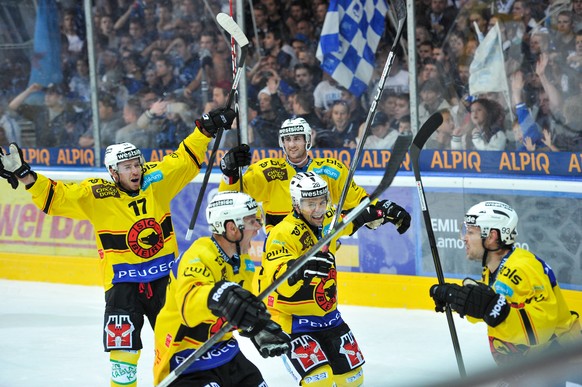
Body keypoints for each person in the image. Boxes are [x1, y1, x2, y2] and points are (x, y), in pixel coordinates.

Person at [0, 108, 236, 387]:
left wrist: (205, 130)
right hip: (122, 287)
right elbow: (57, 196)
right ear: (113, 172)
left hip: (165, 282)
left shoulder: (155, 180)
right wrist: (26, 175)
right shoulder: (96, 193)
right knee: (124, 356)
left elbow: (184, 159)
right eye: (127, 167)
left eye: (137, 164)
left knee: (185, 342)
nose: (135, 170)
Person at [256, 172, 410, 386]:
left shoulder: (327, 220)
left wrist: (382, 211)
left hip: (328, 317)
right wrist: (299, 268)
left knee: (352, 380)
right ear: (296, 204)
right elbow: (276, 277)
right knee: (319, 381)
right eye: (310, 203)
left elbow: (354, 219)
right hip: (292, 321)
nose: (318, 209)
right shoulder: (283, 233)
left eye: (322, 201)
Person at [153, 191, 290, 385]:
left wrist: (256, 326)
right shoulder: (198, 256)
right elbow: (189, 308)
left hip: (226, 352)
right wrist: (220, 295)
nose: (258, 227)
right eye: (252, 221)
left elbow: (241, 307)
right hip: (184, 360)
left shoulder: (243, 262)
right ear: (232, 228)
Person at [429, 201, 581, 368]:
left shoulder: (522, 268)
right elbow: (487, 304)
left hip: (561, 362)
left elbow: (543, 328)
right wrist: (458, 299)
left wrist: (494, 310)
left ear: (492, 236)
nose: (464, 238)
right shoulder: (494, 268)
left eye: (470, 232)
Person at [218, 117, 411, 232]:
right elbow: (234, 197)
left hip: (321, 250)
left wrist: (384, 209)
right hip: (282, 253)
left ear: (307, 140)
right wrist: (230, 172)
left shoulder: (330, 170)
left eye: (297, 139)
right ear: (281, 142)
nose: (292, 145)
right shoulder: (268, 171)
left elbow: (356, 200)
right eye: (287, 140)